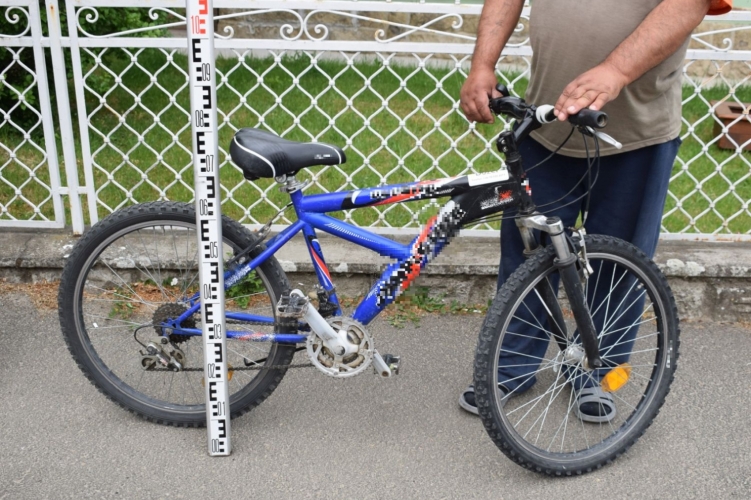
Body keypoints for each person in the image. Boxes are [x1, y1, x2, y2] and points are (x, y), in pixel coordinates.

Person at [457, 0, 721, 420]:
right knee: (527, 255)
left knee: (620, 262)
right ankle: (509, 368)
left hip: (638, 135)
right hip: (545, 125)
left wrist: (615, 70)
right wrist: (482, 65)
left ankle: (599, 373)